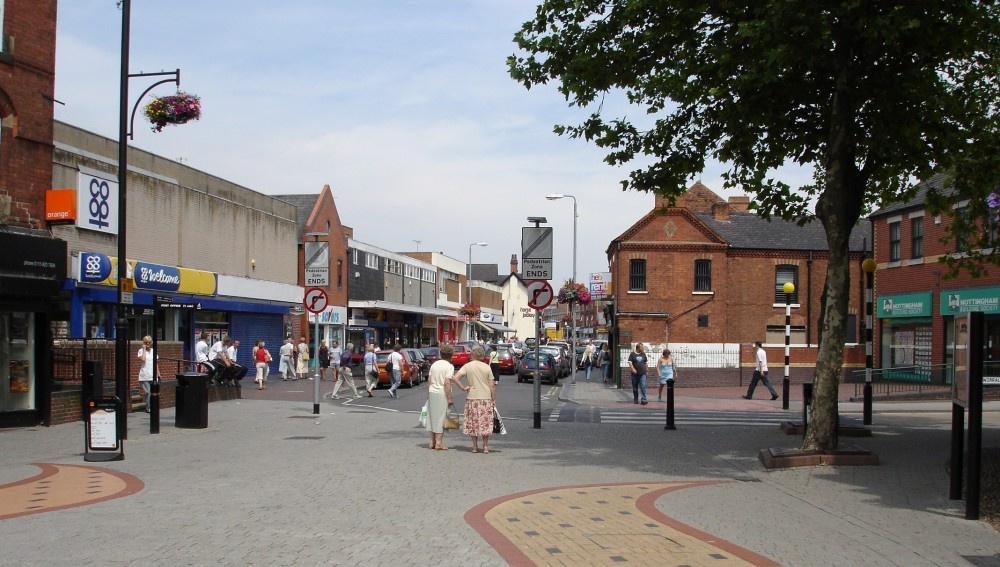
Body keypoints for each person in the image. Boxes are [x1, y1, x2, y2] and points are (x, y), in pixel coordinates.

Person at [452, 346, 496, 454]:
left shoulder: (467, 366)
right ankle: (485, 446)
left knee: (473, 422)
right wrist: (493, 399)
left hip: (472, 398)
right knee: (485, 422)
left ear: (473, 354)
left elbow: (455, 378)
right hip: (485, 398)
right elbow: (491, 385)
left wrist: (463, 388)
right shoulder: (487, 367)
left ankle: (475, 446)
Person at [426, 344, 456, 450]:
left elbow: (429, 380)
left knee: (432, 417)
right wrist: (450, 397)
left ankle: (431, 442)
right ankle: (438, 443)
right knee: (441, 418)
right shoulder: (449, 366)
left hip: (432, 392)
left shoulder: (434, 364)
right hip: (441, 393)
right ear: (451, 355)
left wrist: (428, 392)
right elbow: (447, 383)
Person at [136, 335, 161, 412]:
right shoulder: (141, 351)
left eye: (149, 342)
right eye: (146, 342)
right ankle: (148, 407)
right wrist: (144, 349)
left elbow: (156, 363)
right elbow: (143, 359)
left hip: (153, 374)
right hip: (144, 375)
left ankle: (152, 406)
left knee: (153, 392)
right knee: (148, 392)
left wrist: (158, 373)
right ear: (144, 343)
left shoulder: (153, 351)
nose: (148, 344)